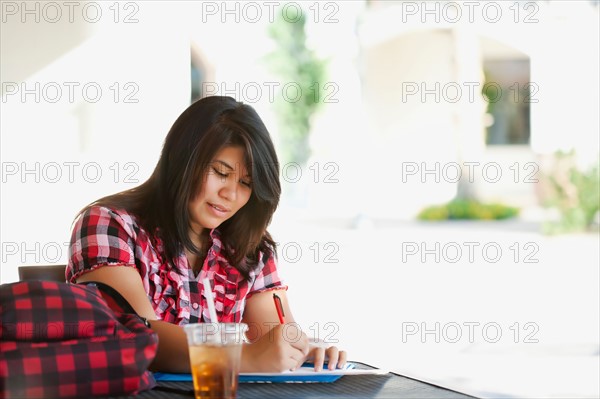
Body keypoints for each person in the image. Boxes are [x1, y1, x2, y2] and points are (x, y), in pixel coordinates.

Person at [66, 96, 346, 373]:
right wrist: (243, 357)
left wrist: (302, 351)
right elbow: (137, 336)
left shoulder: (248, 248)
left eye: (246, 183)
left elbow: (273, 337)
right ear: (182, 161)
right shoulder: (109, 224)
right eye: (220, 172)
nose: (230, 194)